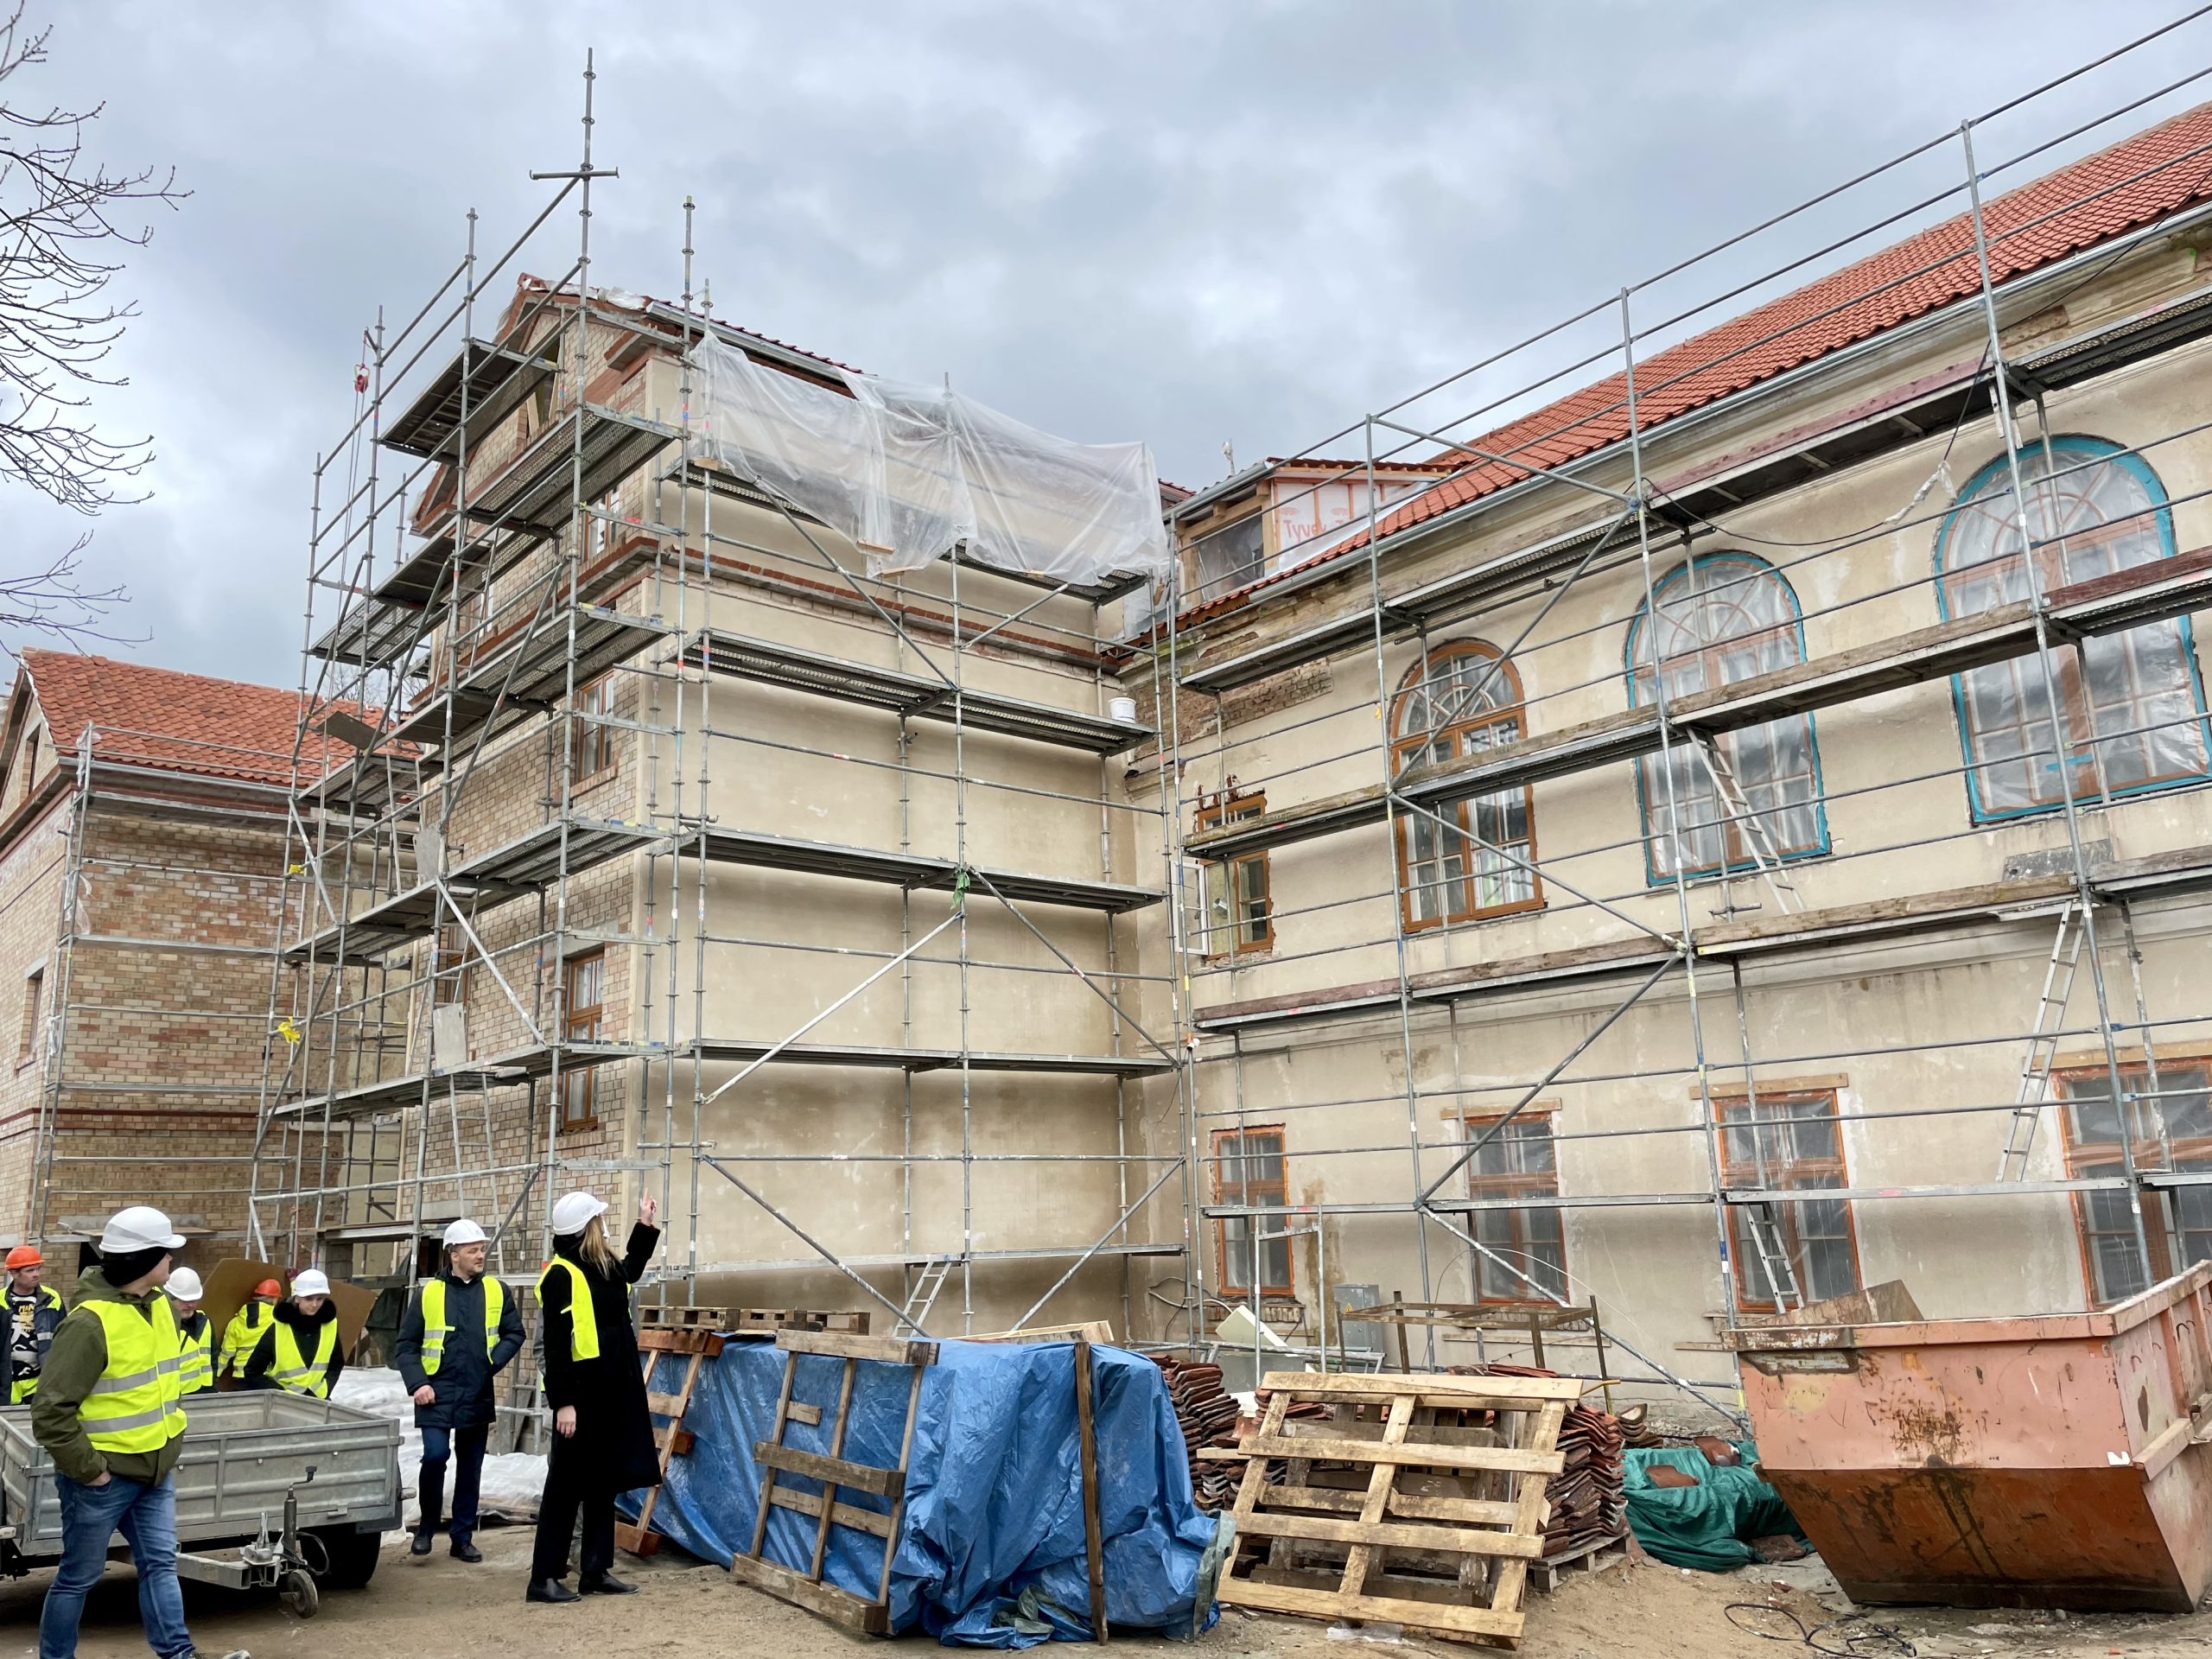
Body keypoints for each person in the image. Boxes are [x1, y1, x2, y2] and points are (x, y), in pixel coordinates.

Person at [30, 1205, 246, 1659]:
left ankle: (177, 1653)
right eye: (166, 1253)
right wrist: (91, 1472)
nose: (171, 1260)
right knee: (78, 1578)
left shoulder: (161, 1307)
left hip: (155, 1471)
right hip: (102, 1480)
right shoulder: (89, 1322)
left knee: (160, 1565)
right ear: (144, 1259)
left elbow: (161, 1386)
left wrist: (169, 1445)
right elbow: (50, 1411)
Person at [527, 1190, 660, 1605]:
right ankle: (544, 1577)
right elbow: (555, 1346)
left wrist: (645, 1226)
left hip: (612, 1389)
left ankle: (596, 1570)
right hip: (581, 1395)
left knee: (604, 1482)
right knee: (565, 1486)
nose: (604, 1226)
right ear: (588, 1226)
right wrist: (563, 1402)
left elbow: (631, 1270)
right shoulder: (561, 1274)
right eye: (599, 1220)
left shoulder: (603, 1266)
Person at [395, 1217, 524, 1563]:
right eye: (473, 1250)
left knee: (471, 1466)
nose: (480, 1255)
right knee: (435, 1456)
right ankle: (426, 1530)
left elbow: (515, 1333)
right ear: (453, 1255)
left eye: (482, 1249)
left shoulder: (496, 1290)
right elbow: (406, 1345)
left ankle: (462, 1538)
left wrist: (491, 1362)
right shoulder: (429, 1293)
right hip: (435, 1391)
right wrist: (418, 1383)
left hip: (476, 1390)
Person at [243, 1268, 345, 1397]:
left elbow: (336, 1364)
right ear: (297, 1298)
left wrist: (326, 1388)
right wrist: (278, 1393)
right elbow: (252, 1371)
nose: (314, 1304)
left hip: (317, 1400)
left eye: (319, 1299)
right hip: (283, 1403)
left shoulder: (330, 1326)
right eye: (309, 1299)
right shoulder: (278, 1328)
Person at [4, 1244, 65, 1403]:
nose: (36, 1274)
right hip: (7, 1382)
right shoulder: (0, 1300)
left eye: (38, 1269)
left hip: (39, 1381)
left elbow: (64, 1338)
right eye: (30, 1270)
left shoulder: (52, 1298)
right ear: (14, 1273)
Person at [218, 1277, 281, 1384]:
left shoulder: (235, 1322)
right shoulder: (277, 1318)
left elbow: (226, 1354)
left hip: (240, 1376)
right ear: (273, 1299)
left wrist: (216, 1376)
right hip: (264, 1376)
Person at [167, 1268, 213, 1397]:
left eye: (194, 1300)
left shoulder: (204, 1322)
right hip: (174, 1396)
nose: (191, 1305)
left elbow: (213, 1358)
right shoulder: (163, 1326)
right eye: (185, 1300)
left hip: (204, 1392)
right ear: (171, 1298)